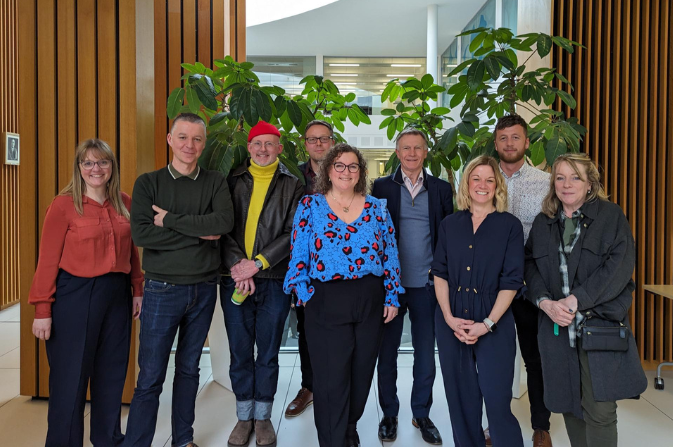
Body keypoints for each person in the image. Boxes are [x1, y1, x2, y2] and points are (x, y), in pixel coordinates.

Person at [124, 113, 234, 447]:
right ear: (170, 140)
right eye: (183, 137)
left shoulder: (215, 181)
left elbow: (223, 223)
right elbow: (142, 235)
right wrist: (202, 232)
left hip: (203, 289)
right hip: (162, 290)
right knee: (152, 375)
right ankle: (137, 443)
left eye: (197, 139)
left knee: (189, 370)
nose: (190, 145)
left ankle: (182, 440)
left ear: (204, 143)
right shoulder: (148, 183)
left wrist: (170, 220)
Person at [284, 143, 404, 447]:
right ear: (328, 170)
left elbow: (390, 252)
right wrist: (304, 292)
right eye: (339, 165)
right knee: (329, 379)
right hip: (325, 298)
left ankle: (348, 427)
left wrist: (391, 295)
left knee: (361, 373)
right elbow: (298, 251)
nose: (346, 171)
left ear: (361, 172)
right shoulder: (310, 206)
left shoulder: (377, 207)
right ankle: (334, 439)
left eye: (353, 166)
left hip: (369, 296)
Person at [524, 153, 647, 447]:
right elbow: (529, 264)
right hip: (556, 329)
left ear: (590, 183)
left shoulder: (610, 216)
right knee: (568, 404)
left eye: (575, 177)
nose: (567, 184)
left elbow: (619, 266)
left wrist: (576, 300)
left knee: (600, 410)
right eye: (560, 177)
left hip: (599, 327)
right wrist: (544, 302)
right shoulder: (544, 222)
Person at [28, 138, 143, 446]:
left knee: (111, 373)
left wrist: (137, 288)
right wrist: (42, 309)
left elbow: (132, 252)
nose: (96, 169)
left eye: (103, 162)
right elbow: (47, 260)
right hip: (74, 296)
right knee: (70, 379)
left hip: (116, 294)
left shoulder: (125, 202)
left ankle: (108, 439)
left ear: (111, 167)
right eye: (88, 163)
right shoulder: (63, 205)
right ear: (79, 168)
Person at [221, 121, 304, 447]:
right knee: (240, 352)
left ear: (280, 148)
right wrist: (238, 268)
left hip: (273, 278)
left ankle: (263, 416)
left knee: (268, 352)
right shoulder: (232, 181)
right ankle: (244, 417)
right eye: (258, 144)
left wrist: (255, 265)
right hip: (234, 280)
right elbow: (223, 228)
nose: (264, 150)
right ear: (250, 146)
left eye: (270, 144)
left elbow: (292, 232)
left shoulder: (293, 184)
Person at [432, 155, 524, 447]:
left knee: (497, 402)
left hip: (494, 319)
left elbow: (511, 282)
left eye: (489, 179)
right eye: (476, 178)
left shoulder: (510, 225)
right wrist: (448, 317)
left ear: (497, 185)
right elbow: (441, 274)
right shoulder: (450, 224)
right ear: (466, 184)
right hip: (452, 318)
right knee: (461, 403)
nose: (482, 185)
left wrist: (487, 324)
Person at [371, 128, 453, 445]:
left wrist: (441, 275)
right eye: (406, 148)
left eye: (418, 148)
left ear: (425, 152)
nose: (412, 153)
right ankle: (389, 414)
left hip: (427, 286)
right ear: (397, 151)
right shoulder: (380, 188)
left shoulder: (442, 189)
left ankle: (421, 413)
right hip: (390, 287)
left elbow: (448, 238)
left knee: (425, 355)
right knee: (386, 353)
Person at [490, 114, 553, 447]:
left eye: (516, 137)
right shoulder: (483, 179)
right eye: (503, 138)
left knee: (535, 356)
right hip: (492, 283)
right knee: (494, 358)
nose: (509, 144)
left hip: (531, 283)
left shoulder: (546, 182)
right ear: (495, 142)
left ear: (527, 142)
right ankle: (494, 424)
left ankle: (541, 425)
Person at [285, 120, 336, 418]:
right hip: (306, 268)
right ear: (305, 144)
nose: (318, 144)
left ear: (332, 141)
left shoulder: (344, 172)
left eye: (324, 138)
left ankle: (335, 387)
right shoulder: (294, 177)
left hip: (341, 267)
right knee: (306, 329)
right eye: (312, 140)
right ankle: (309, 387)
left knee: (338, 331)